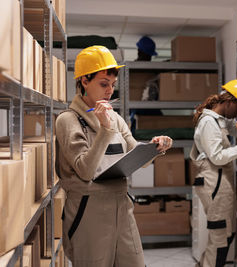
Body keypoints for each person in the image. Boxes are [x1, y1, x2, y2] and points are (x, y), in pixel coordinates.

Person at [55, 45, 173, 267]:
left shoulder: (115, 118)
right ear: (84, 81)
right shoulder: (67, 120)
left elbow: (135, 153)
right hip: (88, 211)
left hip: (121, 207)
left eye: (112, 85)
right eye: (103, 84)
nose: (110, 91)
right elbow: (85, 169)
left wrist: (156, 148)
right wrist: (105, 130)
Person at [190, 80, 237, 267]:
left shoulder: (218, 120)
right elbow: (218, 157)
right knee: (221, 237)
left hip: (219, 183)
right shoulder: (209, 123)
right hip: (214, 183)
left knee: (226, 234)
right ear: (228, 101)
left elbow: (231, 128)